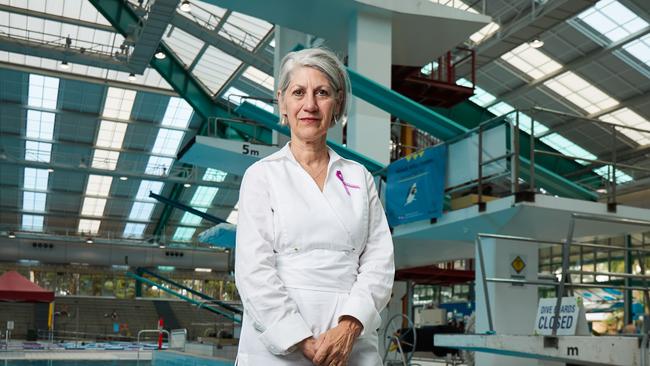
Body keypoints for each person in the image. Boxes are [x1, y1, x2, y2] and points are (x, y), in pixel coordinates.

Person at [235, 48, 395, 366]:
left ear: (336, 103)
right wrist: (302, 341)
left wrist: (349, 328)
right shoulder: (262, 176)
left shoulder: (358, 176)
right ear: (282, 101)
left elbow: (379, 262)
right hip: (278, 346)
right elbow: (253, 271)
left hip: (351, 340)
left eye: (321, 92)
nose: (310, 105)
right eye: (299, 92)